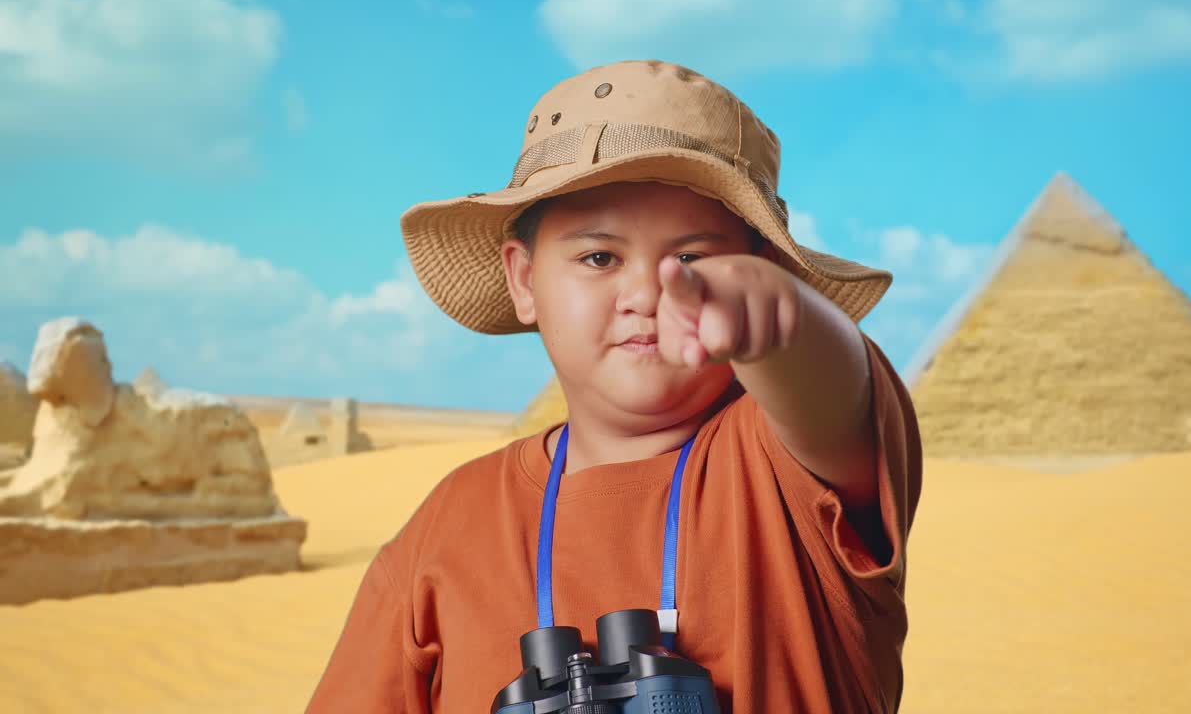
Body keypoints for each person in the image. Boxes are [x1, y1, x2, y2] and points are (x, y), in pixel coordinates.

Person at [306, 59, 922, 713]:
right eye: (599, 258)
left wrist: (782, 323)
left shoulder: (787, 468)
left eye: (693, 259)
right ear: (523, 279)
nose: (647, 292)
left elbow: (835, 393)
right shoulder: (447, 526)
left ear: (764, 271)